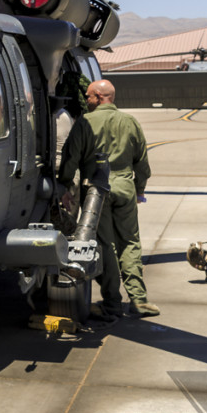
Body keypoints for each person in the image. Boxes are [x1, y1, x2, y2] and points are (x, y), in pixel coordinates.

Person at [58, 79, 159, 319]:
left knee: (105, 246)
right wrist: (140, 189)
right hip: (125, 188)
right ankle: (139, 300)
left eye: (90, 96)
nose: (87, 100)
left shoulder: (85, 122)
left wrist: (63, 186)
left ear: (100, 97)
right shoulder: (130, 122)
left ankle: (112, 302)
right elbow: (142, 163)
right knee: (130, 242)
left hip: (97, 191)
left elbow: (71, 158)